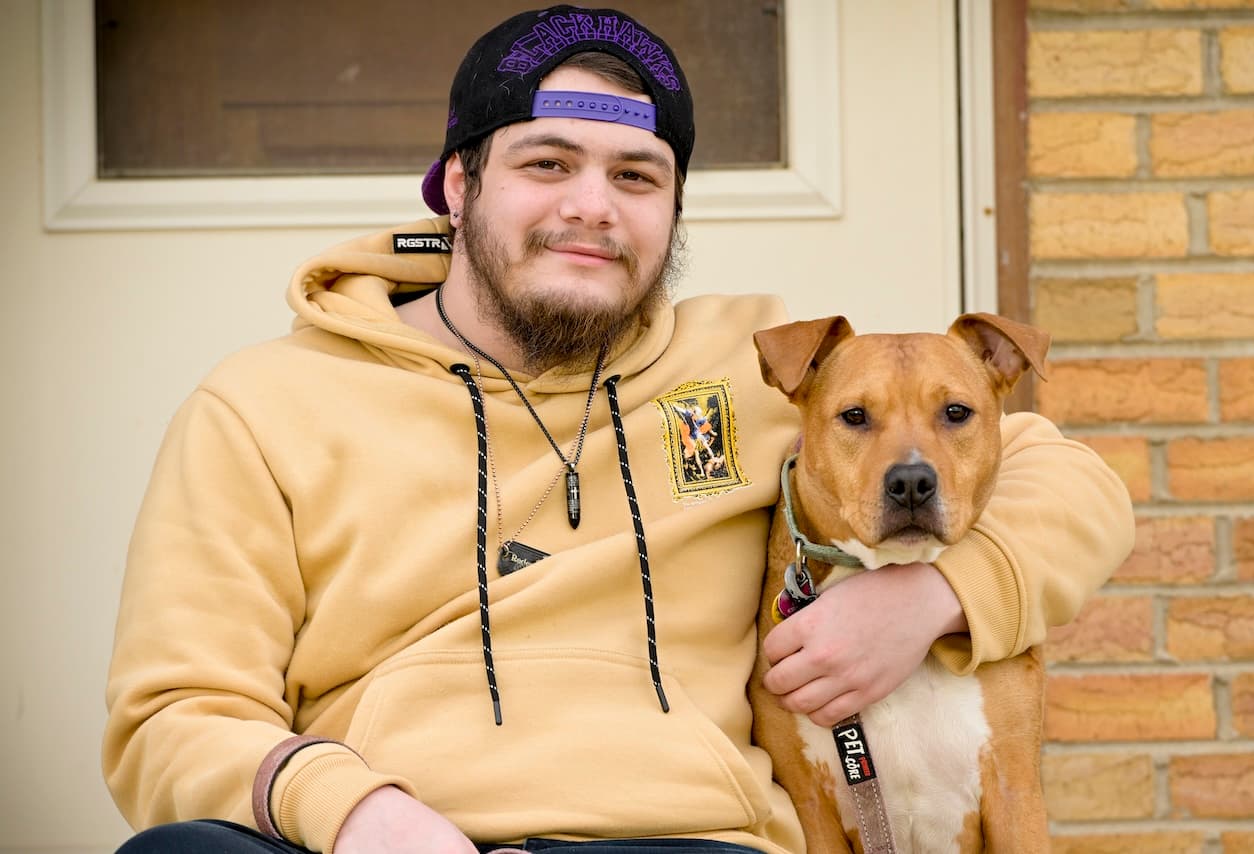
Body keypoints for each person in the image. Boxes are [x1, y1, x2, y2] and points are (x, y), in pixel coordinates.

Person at [102, 6, 1135, 854]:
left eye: (635, 177)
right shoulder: (263, 404)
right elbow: (172, 714)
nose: (591, 206)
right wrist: (358, 809)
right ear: (458, 185)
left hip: (680, 835)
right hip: (380, 831)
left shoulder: (758, 368)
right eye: (546, 164)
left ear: (672, 213)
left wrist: (937, 591)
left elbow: (1062, 477)